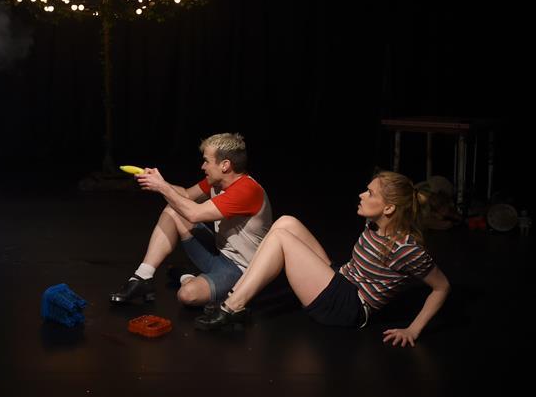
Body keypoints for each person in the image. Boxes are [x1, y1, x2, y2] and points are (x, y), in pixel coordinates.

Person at [195, 171, 451, 348]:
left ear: (389, 208)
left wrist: (413, 329)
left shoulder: (407, 249)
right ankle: (237, 296)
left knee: (281, 238)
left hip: (347, 307)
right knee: (286, 222)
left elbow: (442, 287)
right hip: (341, 279)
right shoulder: (374, 223)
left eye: (370, 193)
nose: (362, 195)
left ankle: (231, 307)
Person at [109, 133, 273, 307]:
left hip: (240, 269)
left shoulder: (247, 190)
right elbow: (186, 196)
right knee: (173, 209)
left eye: (207, 161)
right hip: (218, 252)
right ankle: (143, 277)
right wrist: (158, 182)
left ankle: (185, 277)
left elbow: (194, 213)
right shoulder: (217, 181)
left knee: (187, 295)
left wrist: (162, 187)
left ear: (225, 165)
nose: (203, 166)